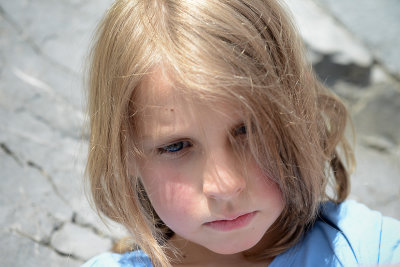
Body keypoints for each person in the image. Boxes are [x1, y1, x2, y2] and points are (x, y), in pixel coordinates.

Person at [82, 0, 400, 266]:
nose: (225, 186)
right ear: (125, 154)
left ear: (297, 113)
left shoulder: (369, 251)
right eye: (177, 146)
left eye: (249, 130)